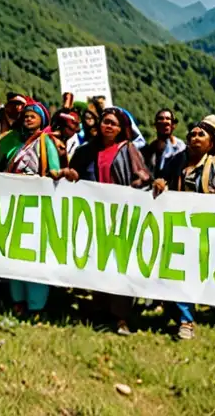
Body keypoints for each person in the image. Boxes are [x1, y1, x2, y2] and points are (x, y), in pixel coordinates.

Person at [68, 107, 150, 334]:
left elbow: (143, 174)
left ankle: (121, 317)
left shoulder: (128, 149)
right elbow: (75, 173)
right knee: (98, 263)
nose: (108, 126)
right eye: (105, 121)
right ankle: (101, 313)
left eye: (113, 123)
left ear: (121, 128)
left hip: (120, 216)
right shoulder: (86, 150)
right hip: (94, 216)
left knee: (120, 266)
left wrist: (135, 185)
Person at [153, 115, 215, 340]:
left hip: (201, 229)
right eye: (193, 134)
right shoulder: (177, 160)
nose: (195, 138)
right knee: (170, 269)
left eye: (202, 134)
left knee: (186, 273)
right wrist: (161, 183)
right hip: (174, 224)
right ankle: (174, 314)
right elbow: (161, 179)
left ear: (213, 142)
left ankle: (186, 321)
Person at [0, 100, 64, 316]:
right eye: (26, 114)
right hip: (10, 201)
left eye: (34, 115)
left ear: (42, 121)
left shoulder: (45, 142)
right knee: (13, 251)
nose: (29, 117)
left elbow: (54, 170)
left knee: (33, 255)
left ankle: (36, 305)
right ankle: (17, 300)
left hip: (36, 205)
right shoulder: (9, 140)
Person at [141, 109, 187, 177]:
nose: (164, 121)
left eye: (168, 119)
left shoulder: (180, 148)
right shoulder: (149, 150)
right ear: (155, 125)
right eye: (161, 119)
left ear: (173, 125)